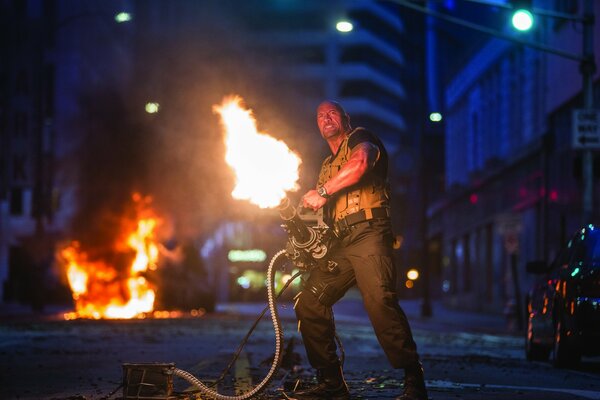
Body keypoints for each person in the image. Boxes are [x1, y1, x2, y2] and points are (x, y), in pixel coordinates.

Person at [291, 101, 427, 400]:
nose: (326, 118)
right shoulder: (327, 166)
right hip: (341, 242)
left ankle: (413, 379)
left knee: (380, 300)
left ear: (345, 118)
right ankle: (332, 384)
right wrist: (302, 233)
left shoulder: (362, 140)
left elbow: (361, 164)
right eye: (320, 116)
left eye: (332, 113)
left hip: (369, 233)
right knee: (309, 302)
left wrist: (323, 193)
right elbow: (322, 217)